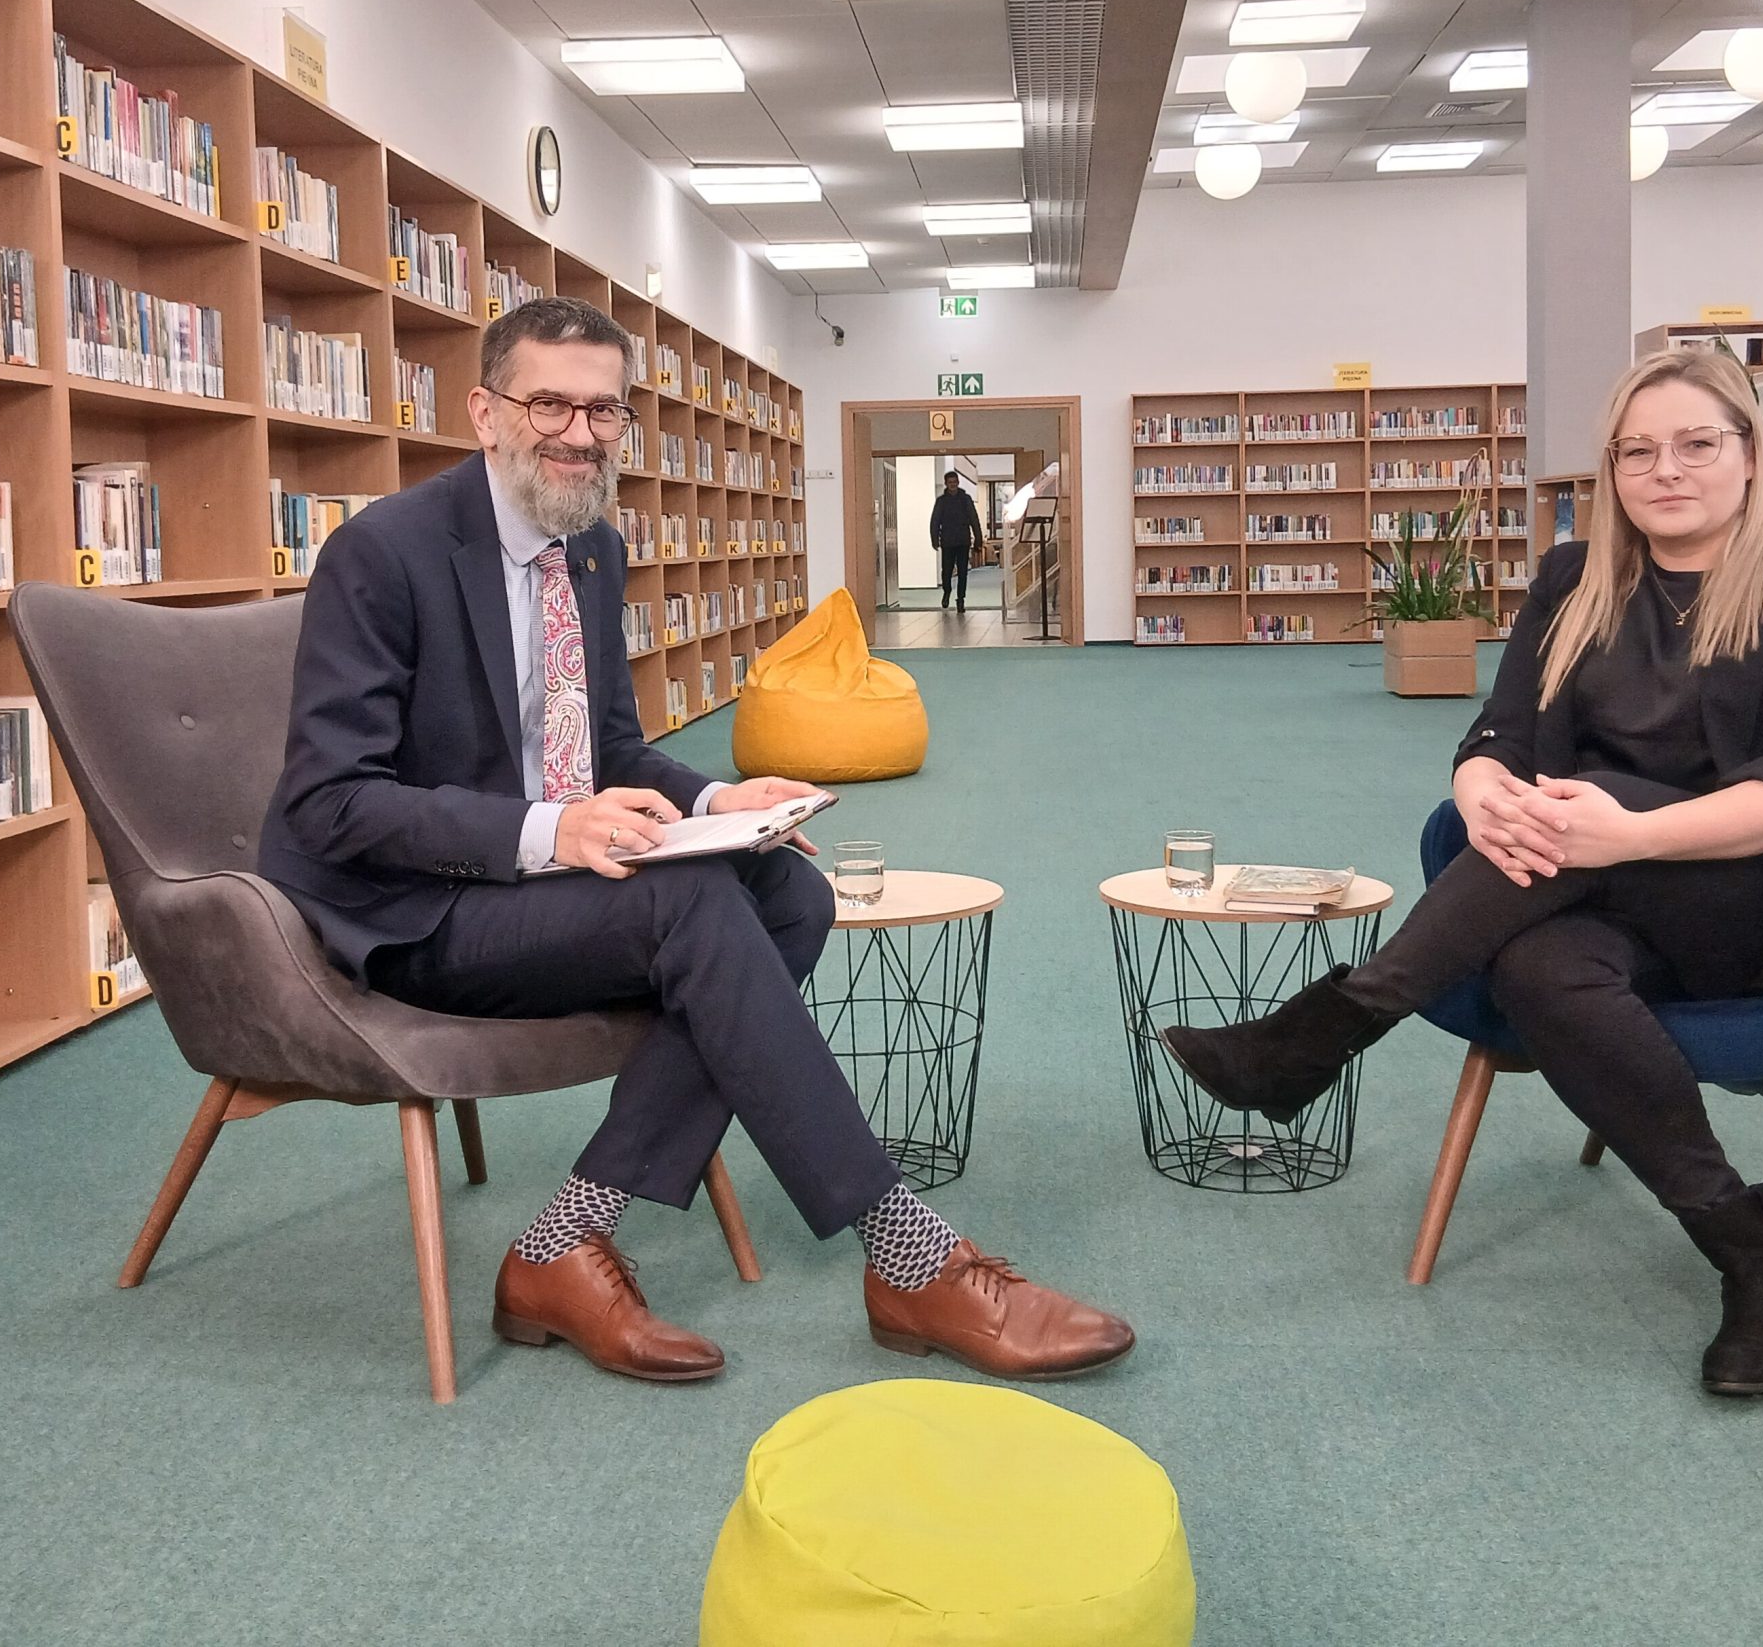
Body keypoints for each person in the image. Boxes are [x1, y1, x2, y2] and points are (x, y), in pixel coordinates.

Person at [260, 296, 1132, 1385]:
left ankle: (564, 1240)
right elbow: (330, 802)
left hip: (542, 882)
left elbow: (612, 745)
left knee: (788, 894)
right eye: (548, 405)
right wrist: (549, 827)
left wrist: (720, 799)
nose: (579, 434)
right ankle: (908, 1254)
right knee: (691, 903)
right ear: (484, 412)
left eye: (604, 411)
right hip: (415, 908)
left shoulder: (591, 544)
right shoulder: (382, 553)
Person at [1162, 345, 1763, 1399]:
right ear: (1611, 469)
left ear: (1752, 452)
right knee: (1538, 968)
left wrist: (1629, 832)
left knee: (1584, 805)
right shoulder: (1574, 578)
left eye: (1696, 443)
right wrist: (1482, 794)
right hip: (1588, 880)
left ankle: (1320, 1032)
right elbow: (1499, 733)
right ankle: (1746, 1245)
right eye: (1636, 451)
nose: (1665, 469)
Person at [929, 471, 986, 611]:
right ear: (946, 484)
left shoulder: (966, 499)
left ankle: (961, 599)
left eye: (954, 482)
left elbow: (974, 519)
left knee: (962, 572)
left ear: (958, 482)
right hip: (947, 541)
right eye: (950, 482)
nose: (952, 484)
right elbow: (935, 521)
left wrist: (978, 539)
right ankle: (947, 591)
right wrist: (934, 539)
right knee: (946, 571)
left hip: (963, 541)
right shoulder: (941, 501)